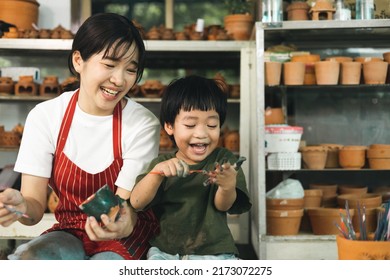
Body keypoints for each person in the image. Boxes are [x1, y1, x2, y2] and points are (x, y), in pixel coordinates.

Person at [0, 13, 160, 260]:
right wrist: (20, 206)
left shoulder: (142, 124)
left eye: (130, 69)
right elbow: (34, 207)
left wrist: (123, 223)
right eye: (109, 65)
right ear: (78, 60)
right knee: (30, 260)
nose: (119, 80)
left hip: (123, 235)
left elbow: (124, 209)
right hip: (70, 231)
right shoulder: (45, 116)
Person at [130, 75, 252, 260]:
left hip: (214, 252)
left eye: (211, 124)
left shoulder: (223, 160)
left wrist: (227, 185)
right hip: (166, 252)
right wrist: (157, 174)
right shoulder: (162, 164)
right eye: (190, 124)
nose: (201, 133)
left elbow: (223, 205)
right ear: (169, 126)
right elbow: (137, 203)